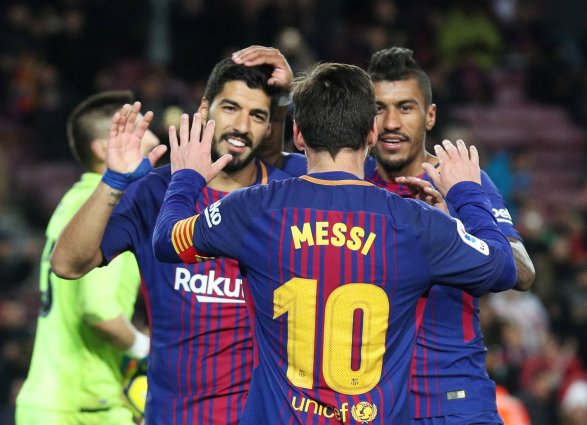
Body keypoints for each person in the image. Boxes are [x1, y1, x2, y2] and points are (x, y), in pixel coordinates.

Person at [152, 62, 517, 424]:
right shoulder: (417, 223)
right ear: (372, 133)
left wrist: (185, 178)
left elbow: (168, 241)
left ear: (297, 133)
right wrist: (468, 193)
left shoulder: (252, 209)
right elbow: (503, 267)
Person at [50, 53, 293, 425]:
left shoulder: (290, 193)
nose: (242, 126)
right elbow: (67, 264)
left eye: (257, 115)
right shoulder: (153, 191)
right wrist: (113, 181)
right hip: (173, 416)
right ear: (204, 107)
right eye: (231, 108)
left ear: (269, 124)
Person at [365, 47, 536, 424]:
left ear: (430, 116)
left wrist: (454, 231)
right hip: (369, 401)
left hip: (452, 399)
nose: (391, 121)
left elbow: (522, 272)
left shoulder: (461, 179)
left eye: (406, 107)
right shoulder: (350, 180)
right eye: (379, 108)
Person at [16, 91, 155, 425]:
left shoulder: (74, 201)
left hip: (49, 401)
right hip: (83, 407)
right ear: (104, 149)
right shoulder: (107, 212)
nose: (151, 136)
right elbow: (98, 311)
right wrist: (148, 350)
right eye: (135, 128)